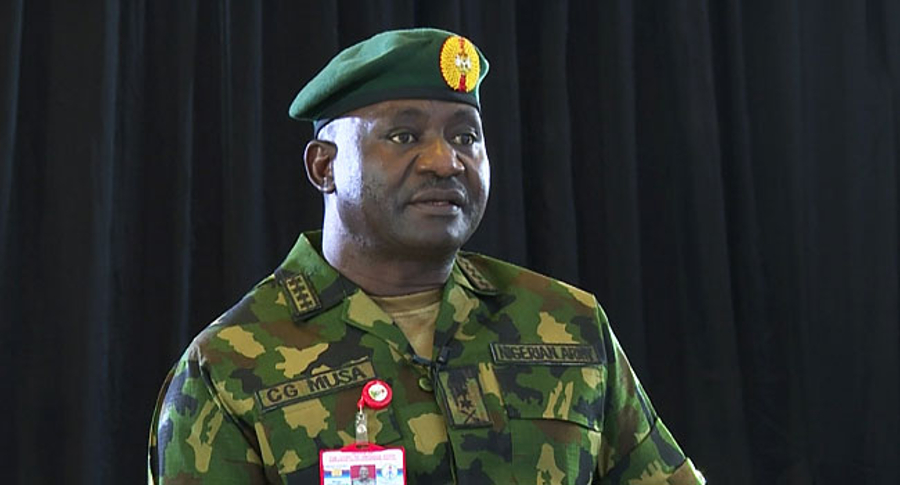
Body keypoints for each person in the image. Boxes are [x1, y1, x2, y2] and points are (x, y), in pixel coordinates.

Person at [147, 28, 706, 484]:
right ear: (324, 166)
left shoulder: (567, 324)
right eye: (403, 137)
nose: (445, 162)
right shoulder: (230, 366)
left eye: (466, 137)